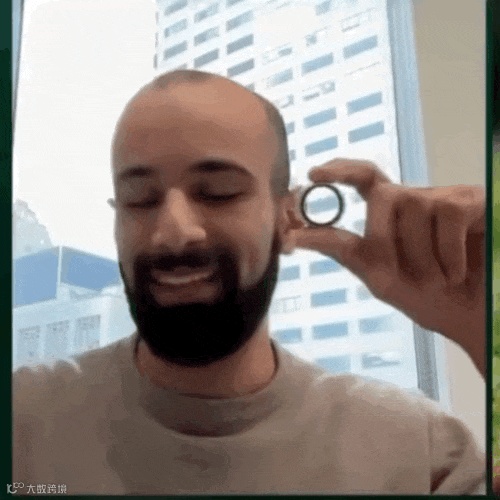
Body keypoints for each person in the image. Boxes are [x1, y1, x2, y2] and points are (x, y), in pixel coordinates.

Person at [13, 69, 486, 495]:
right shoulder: (21, 424)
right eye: (139, 199)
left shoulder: (417, 455)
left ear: (288, 218)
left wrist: (482, 325)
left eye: (218, 193)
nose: (174, 230)